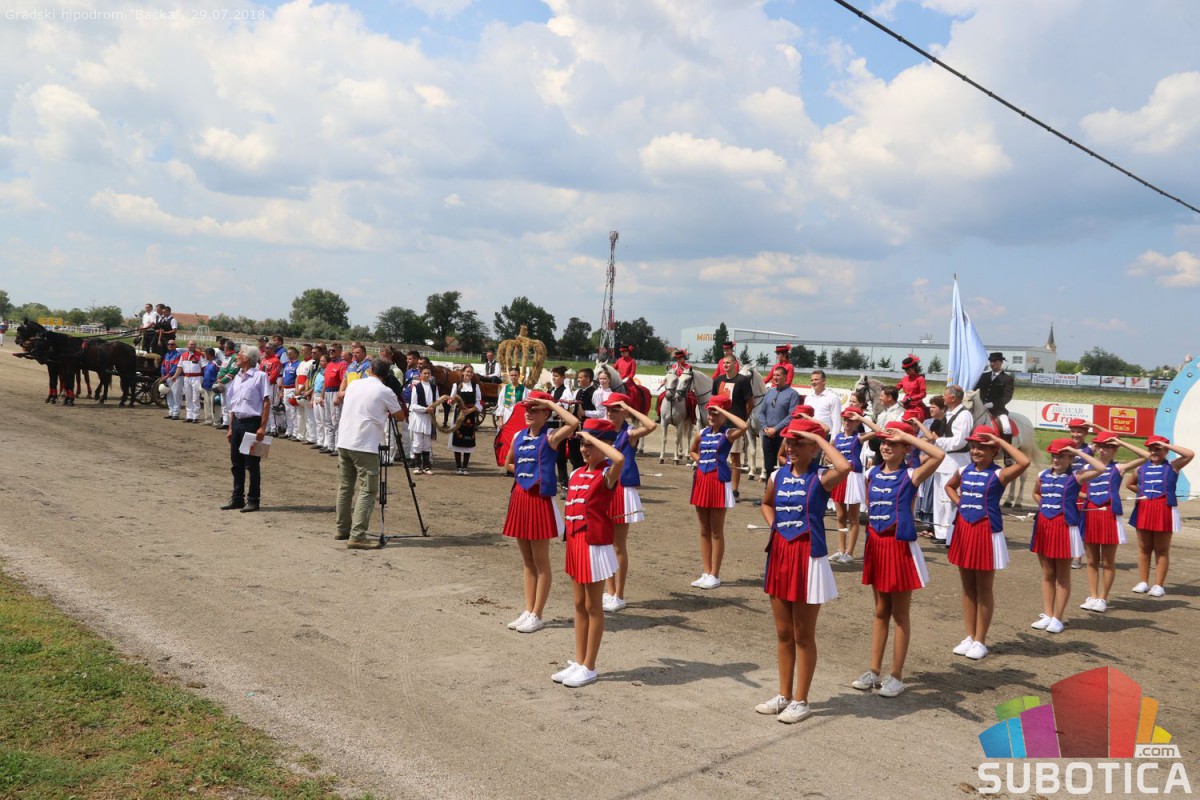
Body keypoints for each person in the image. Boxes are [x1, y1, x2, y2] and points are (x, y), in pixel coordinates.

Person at [755, 418, 851, 723]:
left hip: (808, 557)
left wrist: (818, 438)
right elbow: (766, 504)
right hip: (780, 554)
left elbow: (845, 467)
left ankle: (801, 700)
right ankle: (783, 695)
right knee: (783, 633)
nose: (791, 447)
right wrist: (775, 527)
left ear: (813, 447)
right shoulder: (777, 475)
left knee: (803, 635)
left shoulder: (822, 477)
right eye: (789, 442)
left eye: (799, 442)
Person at [851, 420, 944, 698]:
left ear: (906, 448)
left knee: (900, 615)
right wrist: (898, 437)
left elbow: (939, 454)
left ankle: (896, 675)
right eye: (884, 442)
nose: (887, 446)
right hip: (876, 546)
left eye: (894, 443)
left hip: (899, 547)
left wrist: (907, 435)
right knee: (880, 611)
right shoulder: (871, 473)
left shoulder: (912, 474)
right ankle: (873, 670)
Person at [943, 427, 1031, 661]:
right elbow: (949, 486)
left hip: (986, 533)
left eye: (982, 447)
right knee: (967, 587)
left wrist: (998, 439)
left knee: (983, 588)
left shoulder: (1000, 474)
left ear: (994, 451)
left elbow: (1024, 462)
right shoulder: (963, 470)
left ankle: (981, 640)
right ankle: (969, 636)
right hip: (964, 531)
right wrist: (959, 502)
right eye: (973, 446)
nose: (975, 451)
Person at [551, 418, 626, 689]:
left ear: (604, 445)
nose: (584, 448)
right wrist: (589, 440)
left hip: (594, 545)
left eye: (590, 444)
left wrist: (595, 439)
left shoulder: (607, 474)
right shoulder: (576, 474)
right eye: (582, 443)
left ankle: (590, 666)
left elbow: (620, 459)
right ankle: (580, 660)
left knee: (594, 607)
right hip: (575, 543)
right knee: (579, 604)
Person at [503, 392, 580, 635]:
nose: (528, 413)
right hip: (520, 497)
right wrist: (525, 471)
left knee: (541, 561)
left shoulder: (551, 437)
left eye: (534, 409)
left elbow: (574, 423)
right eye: (527, 408)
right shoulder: (518, 435)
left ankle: (538, 614)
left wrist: (549, 403)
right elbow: (508, 463)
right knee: (527, 561)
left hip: (539, 501)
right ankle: (528, 610)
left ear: (546, 414)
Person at [1030, 439, 1107, 634]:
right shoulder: (1042, 475)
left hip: (1064, 527)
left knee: (1062, 576)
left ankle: (1058, 617)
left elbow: (1100, 468)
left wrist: (1076, 451)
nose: (1056, 459)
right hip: (1043, 526)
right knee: (1047, 573)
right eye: (1054, 455)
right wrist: (1044, 505)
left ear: (1071, 458)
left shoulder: (1077, 476)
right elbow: (1036, 493)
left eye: (1061, 456)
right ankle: (1048, 614)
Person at [335, 358, 406, 550]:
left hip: (344, 440)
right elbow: (400, 416)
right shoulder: (384, 391)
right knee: (368, 489)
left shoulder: (354, 384)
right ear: (387, 375)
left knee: (345, 487)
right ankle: (357, 535)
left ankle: (342, 528)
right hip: (364, 444)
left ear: (370, 370)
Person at [1079, 430, 1150, 613]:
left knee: (1108, 561)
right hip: (1090, 514)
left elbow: (1146, 456)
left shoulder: (1119, 468)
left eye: (1108, 447)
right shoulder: (1086, 468)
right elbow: (1072, 488)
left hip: (1109, 515)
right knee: (1091, 560)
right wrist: (1087, 497)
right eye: (1100, 447)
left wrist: (1121, 442)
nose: (1103, 450)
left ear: (1114, 450)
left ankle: (1103, 598)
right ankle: (1092, 595)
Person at [601, 393, 658, 612]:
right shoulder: (603, 432)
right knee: (604, 543)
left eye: (615, 409)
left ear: (624, 411)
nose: (610, 413)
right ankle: (609, 590)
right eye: (608, 409)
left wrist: (628, 407)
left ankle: (619, 594)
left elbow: (651, 425)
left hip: (622, 490)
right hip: (604, 488)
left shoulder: (629, 433)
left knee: (618, 545)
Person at [688, 395, 749, 589]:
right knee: (703, 530)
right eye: (710, 413)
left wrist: (722, 410)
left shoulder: (728, 433)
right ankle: (706, 572)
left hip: (718, 482)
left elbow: (744, 426)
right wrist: (699, 460)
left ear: (723, 414)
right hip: (701, 480)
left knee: (716, 531)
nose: (711, 417)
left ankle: (715, 574)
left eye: (715, 413)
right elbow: (692, 450)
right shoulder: (702, 433)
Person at [1127, 435, 1194, 597]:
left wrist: (1166, 445)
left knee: (1161, 549)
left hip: (1163, 509)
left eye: (1158, 449)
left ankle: (1159, 585)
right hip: (1144, 508)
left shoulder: (1173, 466)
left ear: (1165, 451)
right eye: (1151, 449)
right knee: (1144, 548)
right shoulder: (1140, 468)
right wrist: (1144, 492)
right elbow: (1129, 484)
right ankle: (1143, 581)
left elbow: (1189, 454)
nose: (1154, 452)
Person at [222, 346, 271, 513]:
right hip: (237, 422)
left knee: (252, 464)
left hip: (252, 423)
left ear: (247, 358)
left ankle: (253, 500)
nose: (237, 356)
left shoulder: (260, 376)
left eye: (240, 354)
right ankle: (237, 498)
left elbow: (266, 402)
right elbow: (233, 404)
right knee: (236, 463)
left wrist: (262, 427)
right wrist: (230, 427)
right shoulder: (237, 377)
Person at [932, 385, 973, 544]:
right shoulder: (948, 414)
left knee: (949, 499)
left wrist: (938, 441)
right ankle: (941, 533)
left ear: (953, 398)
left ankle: (951, 534)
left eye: (945, 395)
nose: (943, 397)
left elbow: (959, 441)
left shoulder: (964, 415)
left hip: (956, 461)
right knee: (939, 499)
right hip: (943, 461)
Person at [830, 409, 869, 564]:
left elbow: (878, 431)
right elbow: (828, 452)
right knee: (840, 516)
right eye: (845, 420)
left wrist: (860, 417)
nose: (846, 423)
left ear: (856, 423)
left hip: (853, 476)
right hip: (839, 475)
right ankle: (841, 550)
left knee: (853, 517)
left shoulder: (858, 437)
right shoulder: (837, 437)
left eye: (850, 420)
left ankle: (850, 552)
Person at [712, 357, 754, 500]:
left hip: (735, 426)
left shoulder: (743, 381)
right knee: (717, 455)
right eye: (724, 363)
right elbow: (713, 402)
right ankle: (718, 485)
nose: (725, 365)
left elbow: (750, 403)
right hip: (719, 425)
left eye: (728, 363)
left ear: (735, 364)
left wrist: (742, 420)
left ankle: (734, 490)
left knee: (735, 457)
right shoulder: (718, 380)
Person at [756, 366, 800, 477]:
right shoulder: (769, 393)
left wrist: (775, 429)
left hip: (783, 435)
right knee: (768, 466)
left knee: (784, 465)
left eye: (778, 375)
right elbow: (761, 413)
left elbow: (792, 415)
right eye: (774, 375)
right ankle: (768, 485)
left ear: (785, 377)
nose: (775, 377)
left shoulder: (792, 394)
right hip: (767, 435)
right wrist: (765, 428)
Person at [1066, 418, 1093, 569]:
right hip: (1067, 485)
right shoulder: (1064, 447)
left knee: (1080, 521)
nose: (1075, 434)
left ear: (1086, 433)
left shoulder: (1091, 448)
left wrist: (1094, 425)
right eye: (1073, 431)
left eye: (1079, 432)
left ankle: (1077, 556)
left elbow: (1112, 437)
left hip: (1082, 487)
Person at [408, 364, 444, 474]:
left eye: (428, 373)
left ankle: (426, 466)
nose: (427, 375)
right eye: (425, 373)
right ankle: (417, 465)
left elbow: (437, 401)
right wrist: (425, 409)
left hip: (429, 418)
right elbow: (413, 405)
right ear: (420, 374)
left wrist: (433, 410)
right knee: (417, 442)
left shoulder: (434, 387)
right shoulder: (417, 387)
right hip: (419, 418)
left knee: (427, 443)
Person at [448, 364, 484, 474]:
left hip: (470, 415)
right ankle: (458, 467)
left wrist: (470, 410)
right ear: (463, 372)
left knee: (468, 440)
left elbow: (479, 402)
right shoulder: (456, 385)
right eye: (467, 371)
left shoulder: (475, 386)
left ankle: (465, 467)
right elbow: (451, 400)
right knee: (457, 439)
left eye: (471, 372)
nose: (469, 374)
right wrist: (451, 401)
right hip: (459, 415)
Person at [975, 352, 1015, 443]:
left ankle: (1007, 451)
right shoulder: (984, 376)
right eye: (991, 361)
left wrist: (993, 404)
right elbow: (974, 389)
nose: (992, 364)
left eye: (995, 361)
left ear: (1001, 362)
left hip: (998, 410)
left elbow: (1007, 397)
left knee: (1006, 427)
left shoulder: (1007, 379)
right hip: (981, 409)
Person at [548, 366, 576, 486]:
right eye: (553, 376)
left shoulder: (566, 391)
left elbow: (565, 406)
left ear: (563, 377)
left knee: (560, 454)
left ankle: (563, 481)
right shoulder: (551, 390)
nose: (554, 378)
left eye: (556, 376)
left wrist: (550, 412)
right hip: (548, 423)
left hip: (558, 424)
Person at [322, 343, 347, 454]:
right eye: (330, 350)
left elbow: (343, 381)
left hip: (336, 392)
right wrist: (322, 395)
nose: (331, 352)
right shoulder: (330, 364)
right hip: (327, 392)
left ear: (340, 351)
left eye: (334, 350)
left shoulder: (342, 364)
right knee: (327, 420)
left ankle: (337, 446)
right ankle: (330, 445)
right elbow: (325, 381)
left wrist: (338, 396)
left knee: (336, 420)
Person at [805, 370, 842, 439]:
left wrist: (833, 440)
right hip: (810, 435)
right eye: (812, 380)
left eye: (816, 379)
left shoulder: (833, 398)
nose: (813, 382)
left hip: (825, 436)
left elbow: (837, 422)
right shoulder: (808, 398)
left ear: (824, 381)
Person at [176, 339, 204, 423]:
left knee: (195, 398)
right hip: (187, 377)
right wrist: (175, 376)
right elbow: (180, 367)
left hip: (197, 377)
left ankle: (195, 416)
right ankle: (189, 416)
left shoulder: (200, 355)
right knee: (188, 397)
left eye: (193, 344)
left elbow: (204, 367)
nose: (192, 346)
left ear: (195, 346)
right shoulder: (183, 355)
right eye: (190, 344)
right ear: (187, 345)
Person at [293, 343, 315, 443]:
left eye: (304, 350)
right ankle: (300, 435)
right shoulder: (301, 363)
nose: (302, 352)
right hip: (298, 389)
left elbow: (308, 378)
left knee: (308, 415)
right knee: (299, 414)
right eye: (301, 350)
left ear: (310, 351)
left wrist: (301, 389)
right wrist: (296, 388)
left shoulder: (312, 362)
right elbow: (297, 377)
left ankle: (309, 436)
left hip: (305, 389)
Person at [898, 355, 928, 422]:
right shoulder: (904, 378)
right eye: (905, 370)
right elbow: (896, 387)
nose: (906, 372)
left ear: (913, 368)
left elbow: (923, 394)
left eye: (908, 370)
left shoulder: (920, 379)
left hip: (916, 406)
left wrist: (911, 398)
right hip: (905, 404)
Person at [160, 339, 183, 420]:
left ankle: (176, 413)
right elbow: (163, 365)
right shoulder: (167, 355)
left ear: (175, 345)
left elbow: (175, 367)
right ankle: (171, 412)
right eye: (169, 344)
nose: (170, 345)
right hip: (168, 377)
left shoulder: (178, 355)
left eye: (172, 344)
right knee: (169, 395)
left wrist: (167, 375)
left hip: (176, 377)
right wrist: (163, 374)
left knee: (176, 395)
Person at [201, 347, 220, 426]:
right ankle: (208, 420)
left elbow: (220, 373)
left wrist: (217, 383)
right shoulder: (208, 362)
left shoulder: (217, 362)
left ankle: (216, 421)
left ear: (210, 354)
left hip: (213, 387)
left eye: (206, 354)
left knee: (214, 405)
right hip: (206, 386)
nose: (205, 356)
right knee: (207, 404)